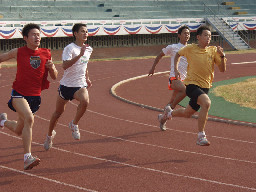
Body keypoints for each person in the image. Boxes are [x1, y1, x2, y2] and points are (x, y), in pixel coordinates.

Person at [0, 23, 58, 170]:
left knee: (20, 129)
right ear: (25, 38)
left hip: (35, 97)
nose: (37, 37)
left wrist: (52, 68)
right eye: (33, 34)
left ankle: (3, 121)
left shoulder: (46, 53)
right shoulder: (18, 51)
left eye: (38, 34)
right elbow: (2, 57)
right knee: (29, 119)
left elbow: (55, 77)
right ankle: (27, 158)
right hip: (18, 94)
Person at [159, 25, 227, 146]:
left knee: (187, 113)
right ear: (198, 37)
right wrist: (175, 69)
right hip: (191, 85)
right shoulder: (190, 48)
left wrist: (222, 56)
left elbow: (222, 70)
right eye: (206, 35)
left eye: (210, 36)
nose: (208, 38)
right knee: (206, 103)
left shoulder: (213, 50)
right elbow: (177, 55)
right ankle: (201, 136)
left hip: (205, 87)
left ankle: (166, 115)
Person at [43, 23, 93, 151]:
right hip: (66, 86)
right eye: (82, 31)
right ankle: (49, 135)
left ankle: (74, 123)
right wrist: (79, 55)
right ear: (75, 33)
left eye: (86, 31)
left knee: (85, 101)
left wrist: (87, 78)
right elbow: (65, 66)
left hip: (79, 84)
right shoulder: (69, 48)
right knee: (57, 113)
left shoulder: (89, 49)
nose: (85, 33)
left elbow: (85, 65)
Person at [148, 25, 190, 131]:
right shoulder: (173, 47)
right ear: (179, 35)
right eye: (185, 33)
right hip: (174, 78)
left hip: (186, 78)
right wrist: (153, 68)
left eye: (188, 33)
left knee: (172, 102)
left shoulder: (191, 48)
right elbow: (159, 55)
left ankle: (162, 119)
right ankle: (168, 110)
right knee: (185, 91)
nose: (187, 35)